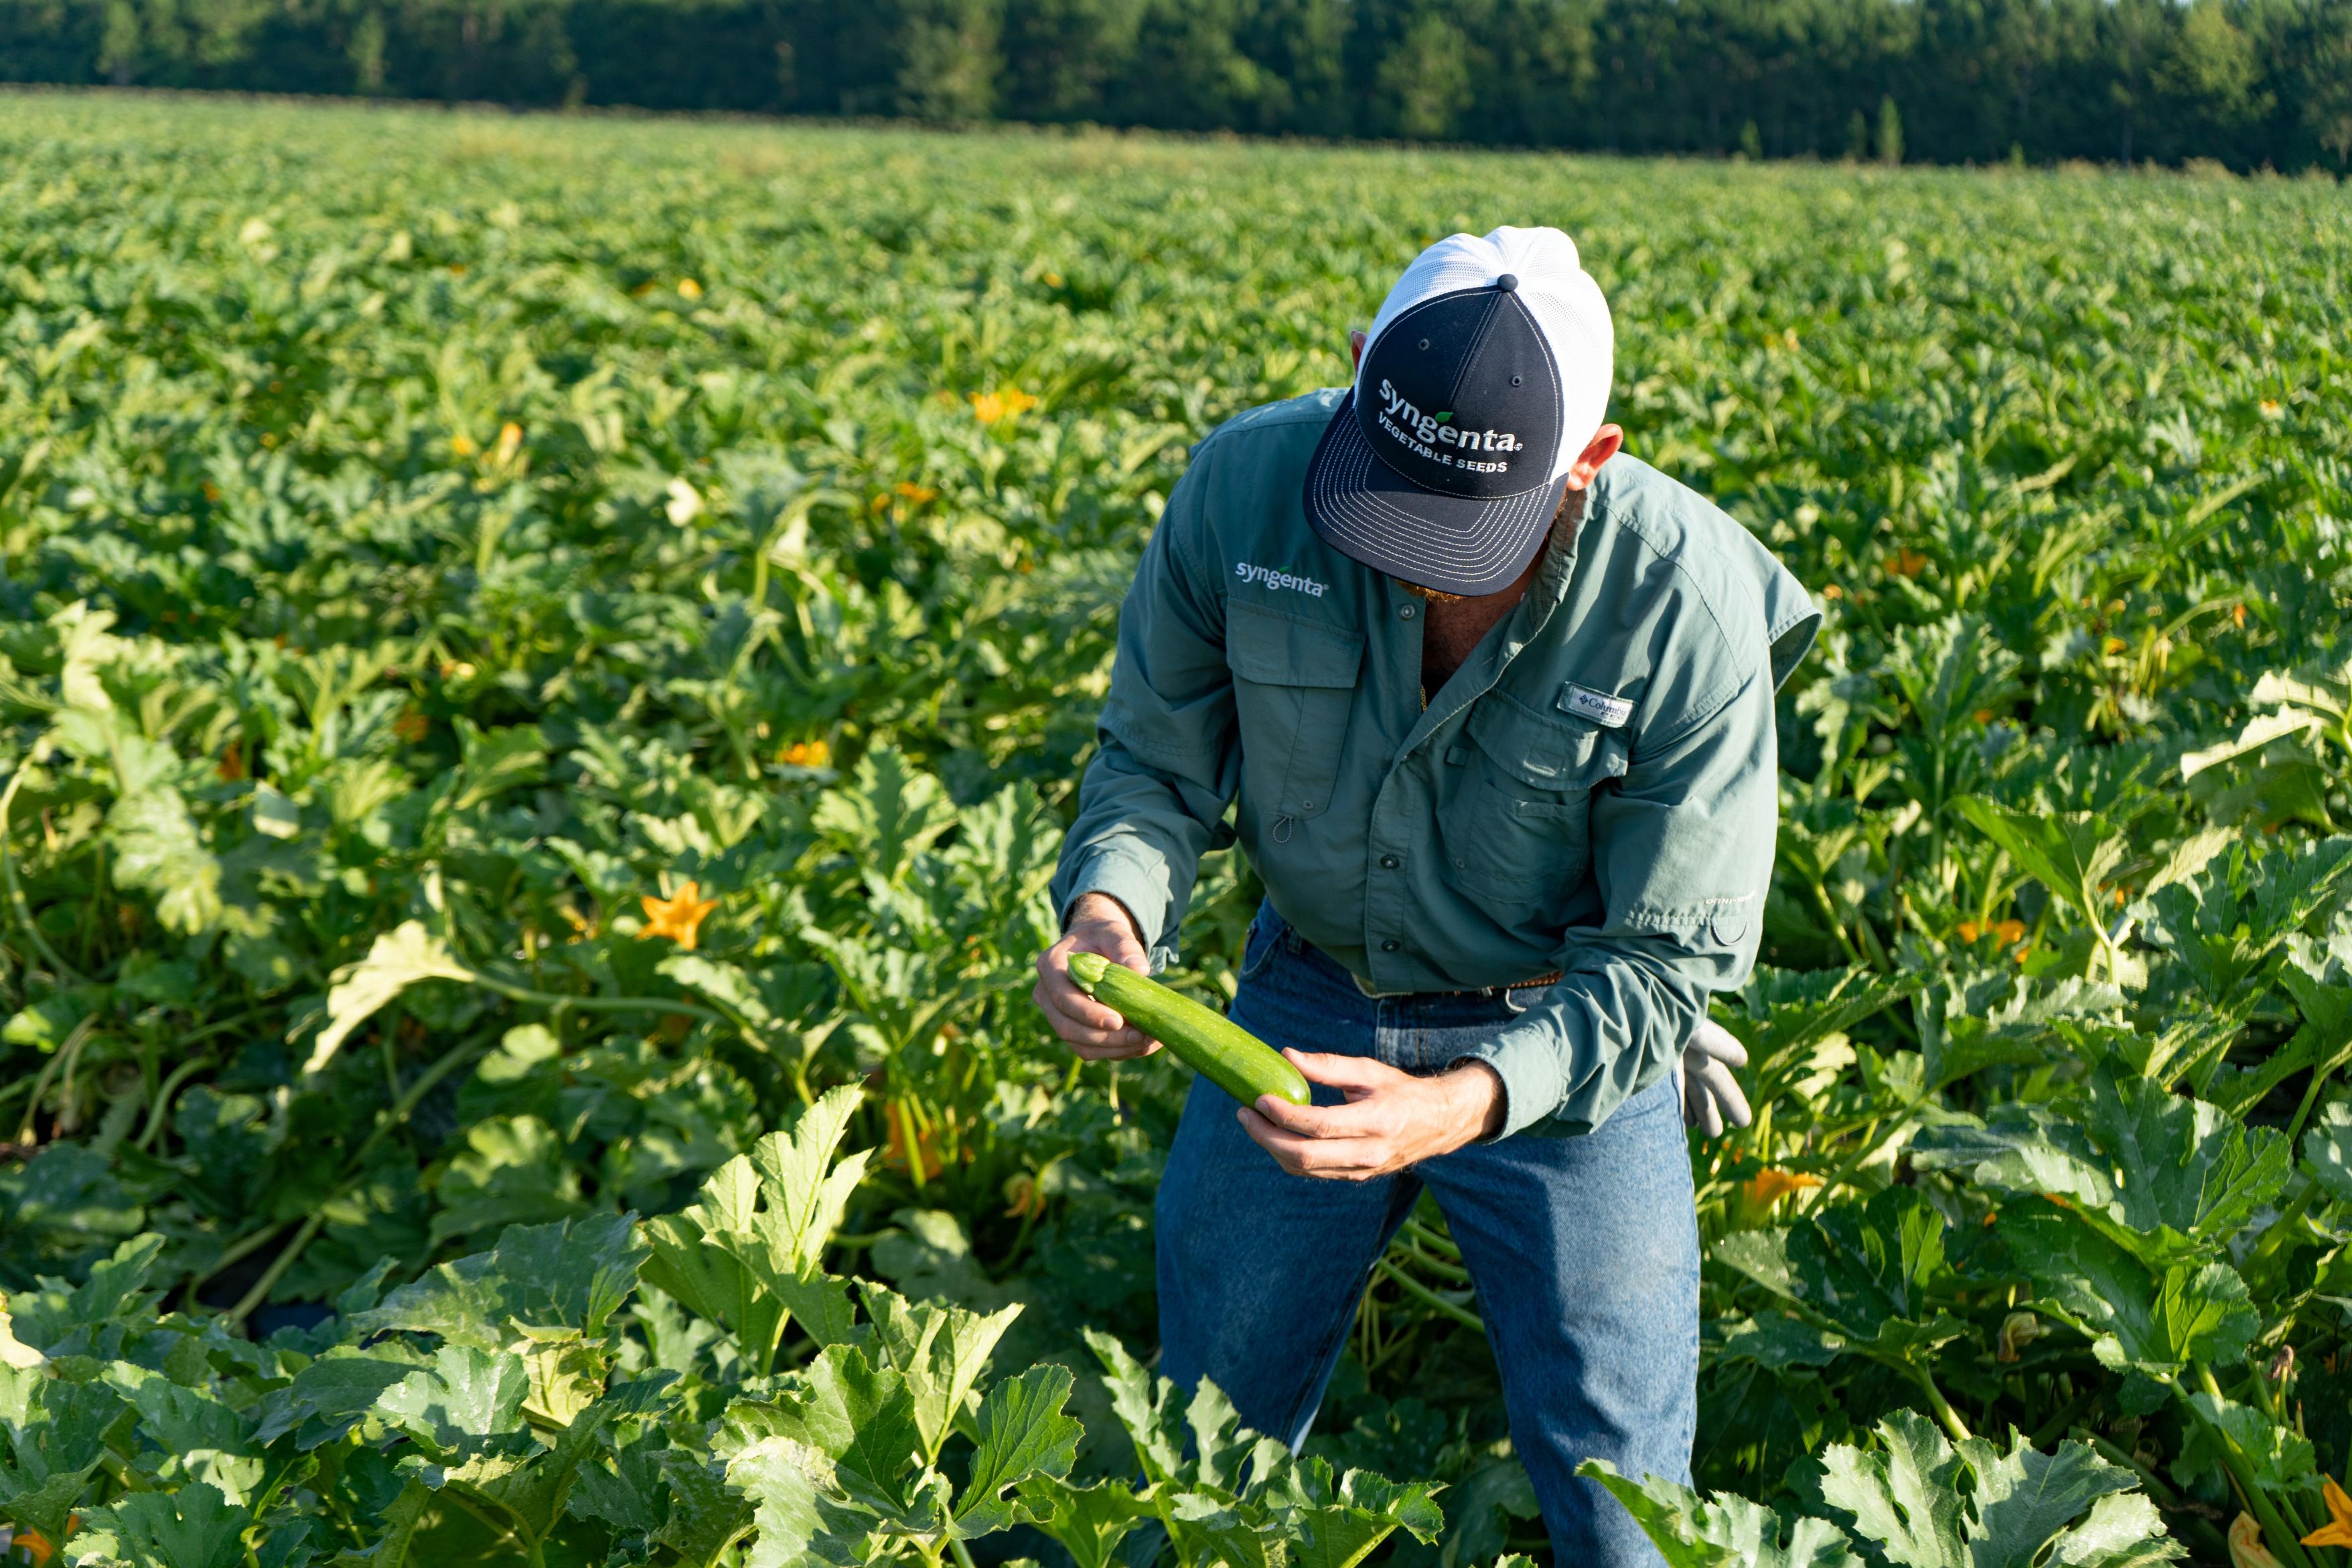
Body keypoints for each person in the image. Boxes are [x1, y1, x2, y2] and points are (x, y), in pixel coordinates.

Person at [1033, 226, 1818, 1564]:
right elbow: (1156, 765)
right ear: (1354, 375)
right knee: (1200, 1448)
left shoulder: (1684, 607)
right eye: (1388, 503)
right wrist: (1111, 911)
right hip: (1312, 984)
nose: (1418, 563)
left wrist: (1467, 1098)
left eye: (1471, 533)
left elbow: (1660, 958)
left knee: (1626, 1502)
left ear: (1593, 459)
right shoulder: (1241, 489)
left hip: (1568, 1032)